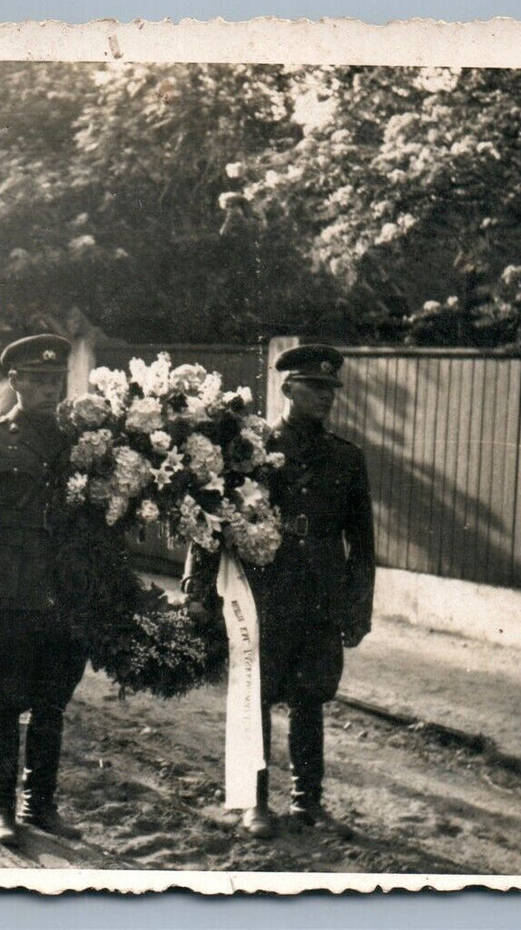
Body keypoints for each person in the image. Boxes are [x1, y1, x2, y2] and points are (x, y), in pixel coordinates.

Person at [185, 344, 375, 839]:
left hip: (319, 592)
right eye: (315, 388)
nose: (326, 398)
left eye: (331, 389)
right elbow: (212, 517)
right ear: (288, 388)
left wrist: (359, 607)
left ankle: (307, 801)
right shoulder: (249, 449)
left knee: (311, 697)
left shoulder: (346, 458)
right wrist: (197, 586)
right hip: (264, 591)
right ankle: (254, 803)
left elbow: (363, 544)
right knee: (257, 696)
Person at [0, 334, 86, 846]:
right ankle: (0, 808)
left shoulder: (81, 443)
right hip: (10, 593)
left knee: (53, 703)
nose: (49, 389)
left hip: (64, 593)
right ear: (16, 383)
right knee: (5, 701)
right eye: (38, 380)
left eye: (56, 380)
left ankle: (41, 805)